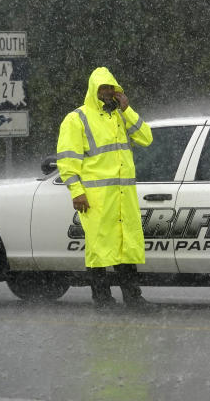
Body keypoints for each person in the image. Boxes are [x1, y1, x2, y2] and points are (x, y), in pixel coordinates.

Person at [56, 67, 155, 309]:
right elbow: (68, 161)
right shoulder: (76, 119)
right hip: (97, 198)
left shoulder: (121, 116)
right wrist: (76, 191)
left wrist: (127, 109)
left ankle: (133, 297)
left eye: (111, 87)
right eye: (103, 88)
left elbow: (146, 138)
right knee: (99, 250)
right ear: (93, 90)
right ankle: (102, 298)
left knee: (125, 247)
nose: (108, 92)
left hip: (123, 197)